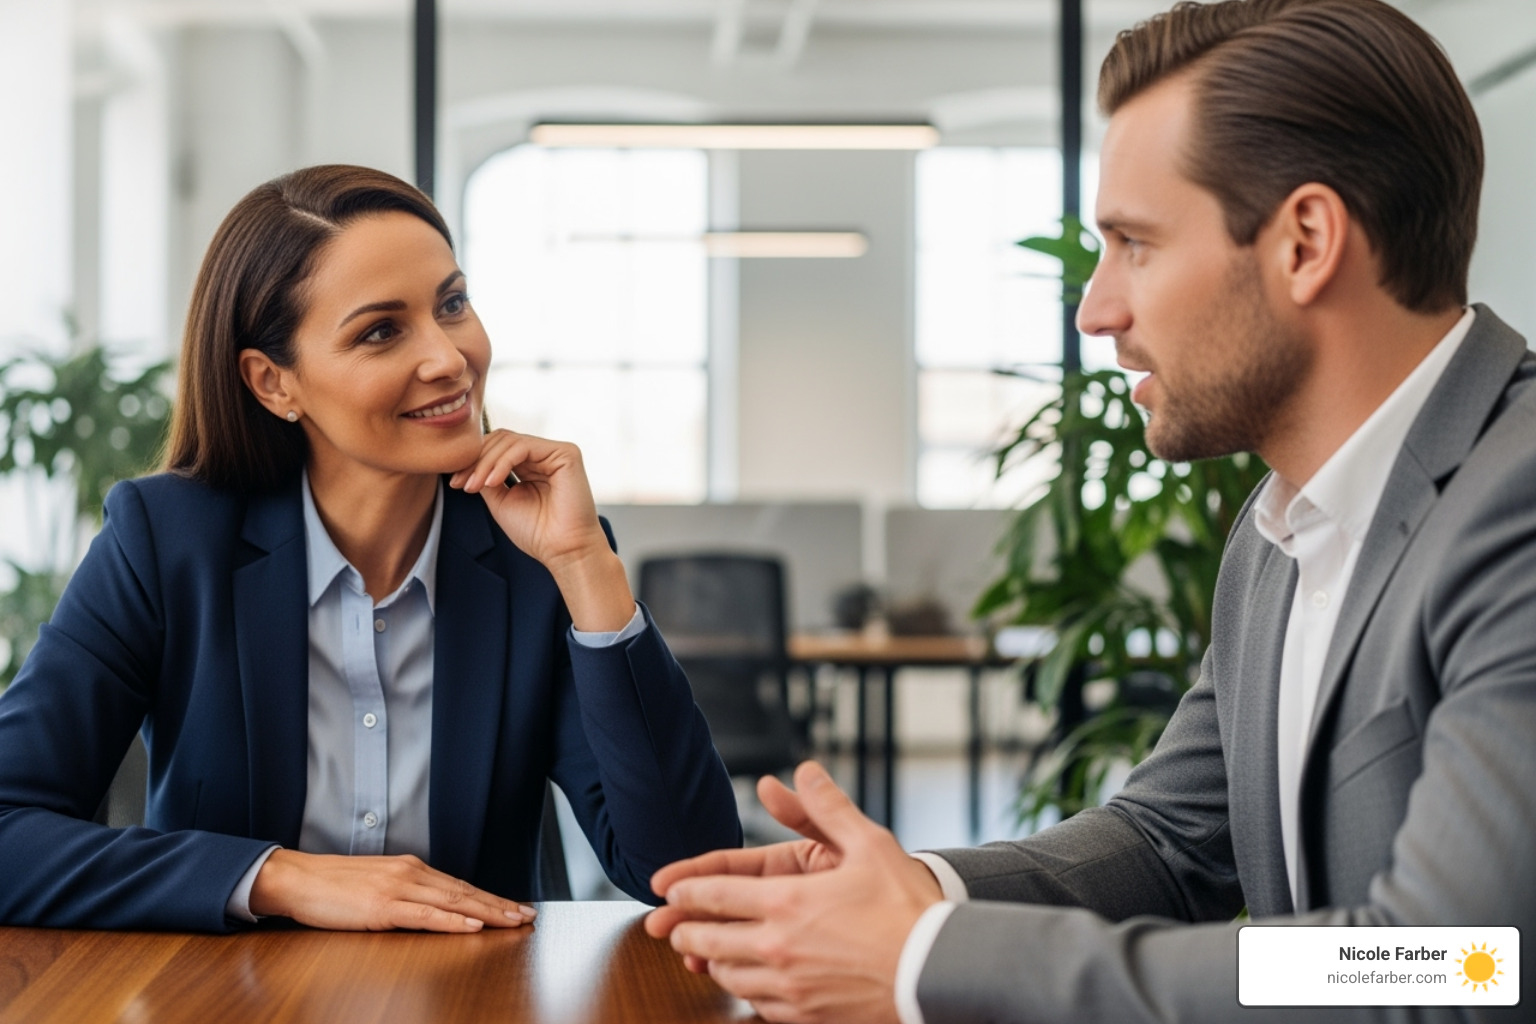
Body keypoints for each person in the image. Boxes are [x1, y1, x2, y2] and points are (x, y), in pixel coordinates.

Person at [644, 1, 1535, 1021]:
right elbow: (1166, 840)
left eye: (1135, 244)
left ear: (1304, 242)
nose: (1096, 309)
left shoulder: (1516, 504)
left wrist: (927, 957)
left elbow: (1459, 965)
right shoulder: (1281, 530)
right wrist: (914, 894)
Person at [0, 164, 741, 933]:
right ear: (273, 383)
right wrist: (277, 878)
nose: (449, 359)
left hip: (474, 998)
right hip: (230, 1002)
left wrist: (587, 566)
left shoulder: (535, 556)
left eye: (452, 304)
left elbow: (688, 873)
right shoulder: (167, 541)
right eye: (381, 331)